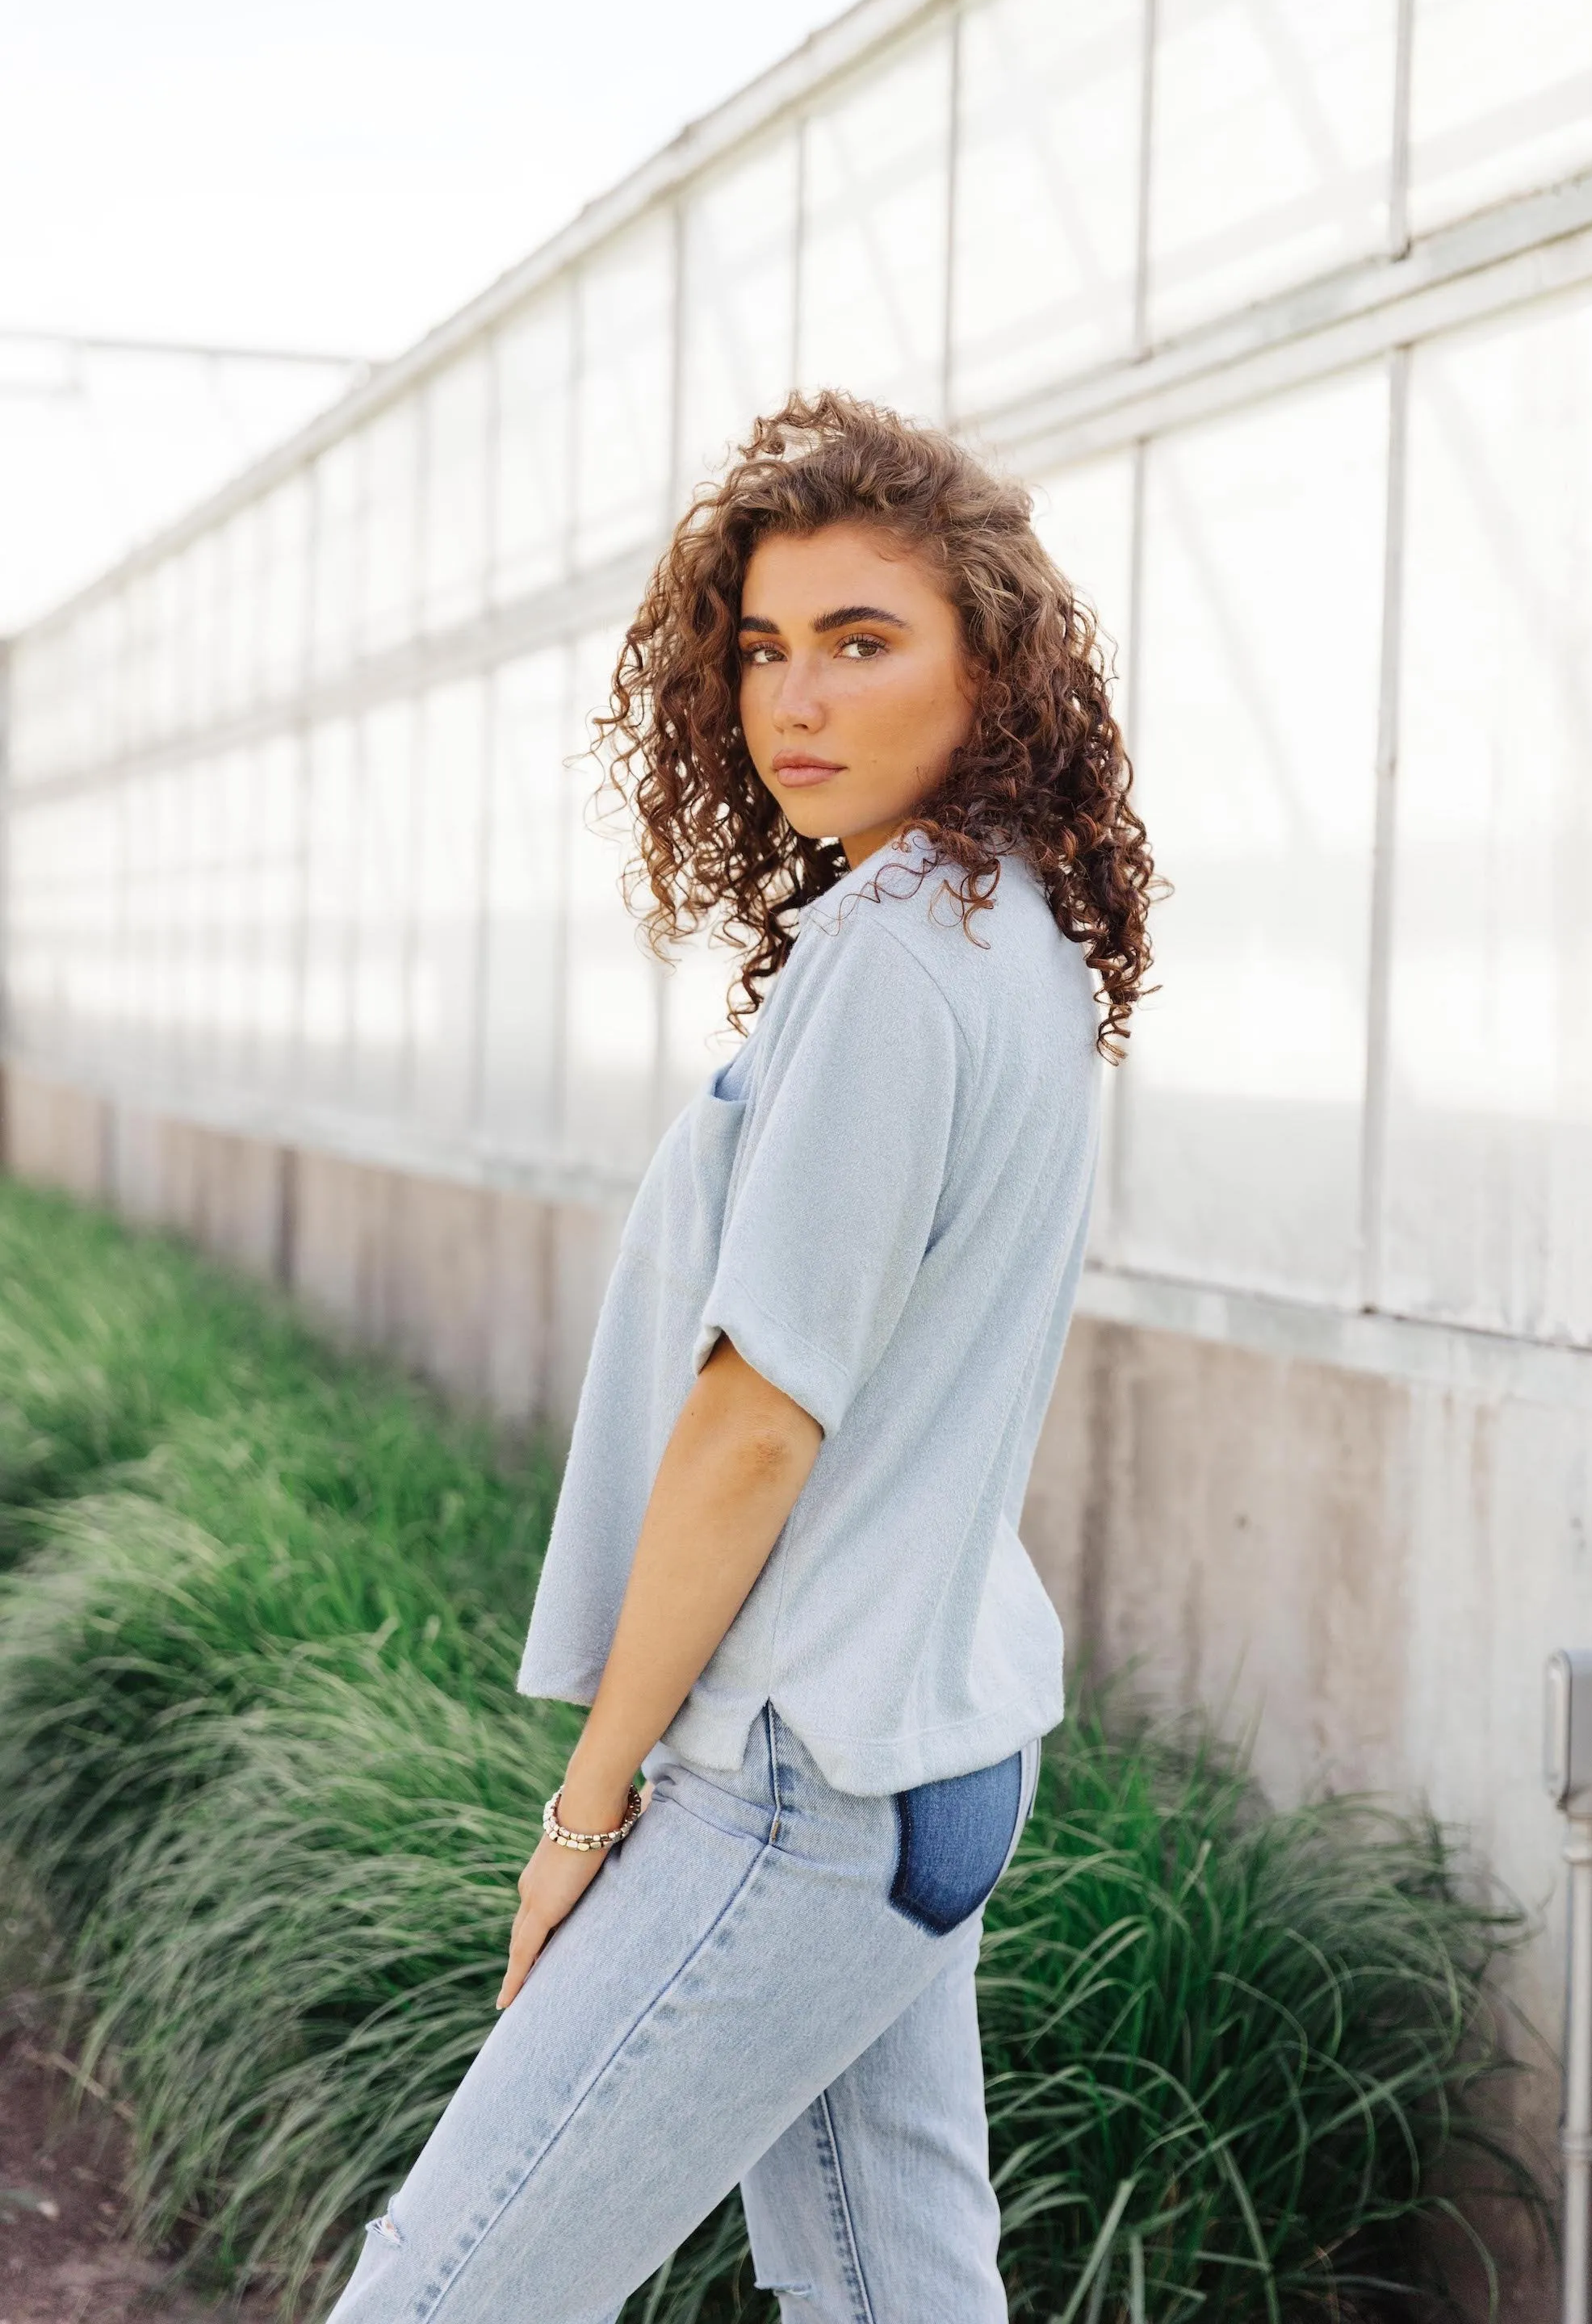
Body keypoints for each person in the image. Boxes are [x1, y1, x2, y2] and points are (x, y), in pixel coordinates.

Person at [328, 391, 1155, 2323]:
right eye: (765, 648)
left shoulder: (890, 948)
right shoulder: (1011, 924)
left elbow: (752, 1424)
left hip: (796, 1775)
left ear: (992, 664)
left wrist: (585, 1810)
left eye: (863, 643)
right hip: (937, 1750)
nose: (798, 698)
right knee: (899, 2301)